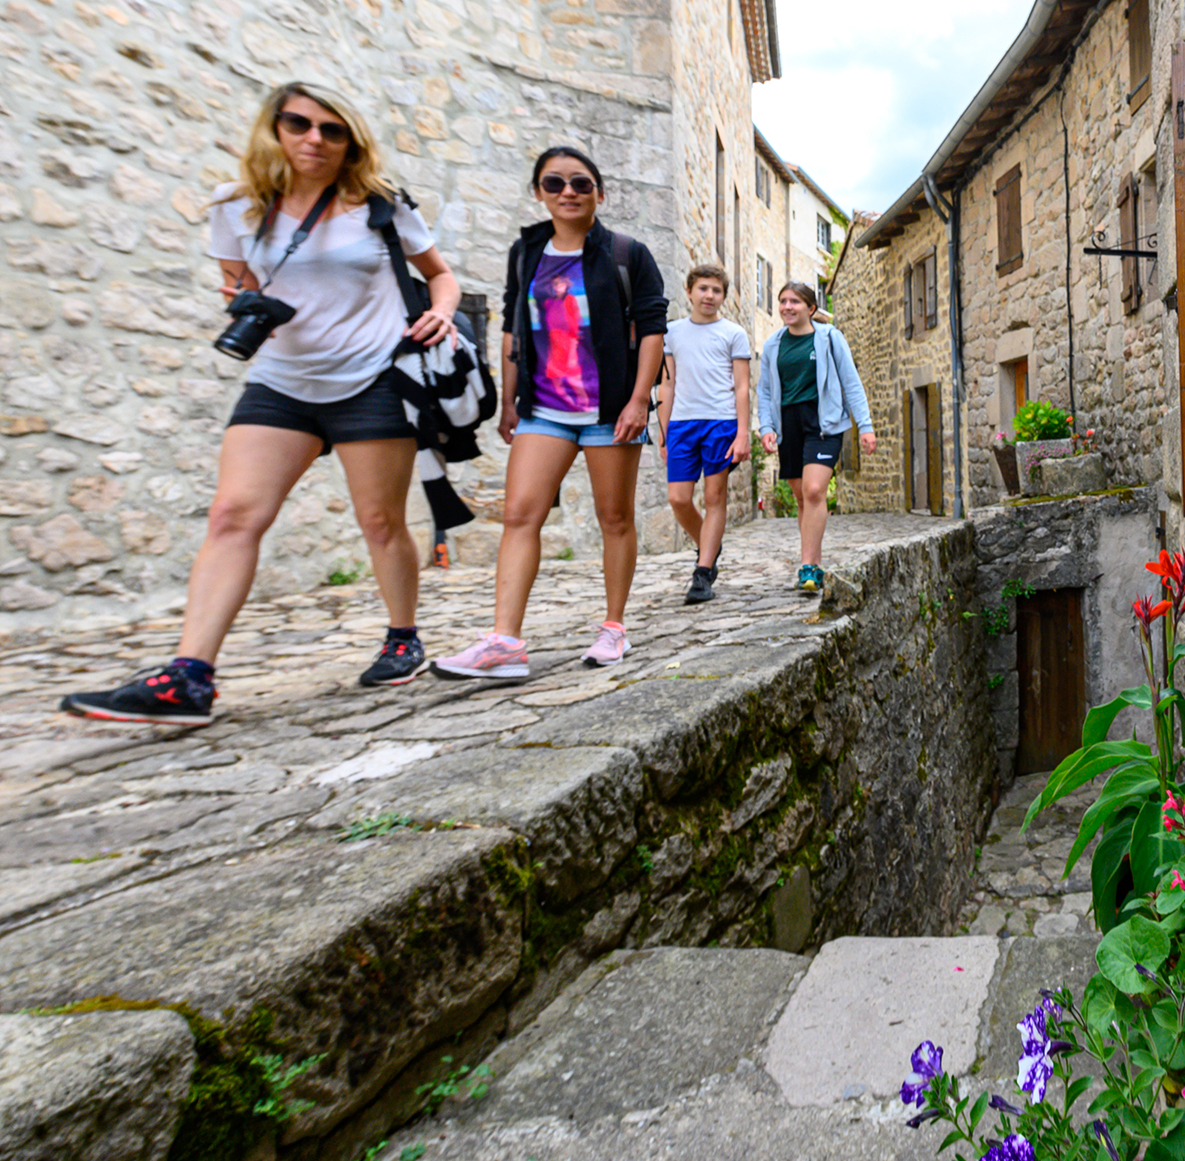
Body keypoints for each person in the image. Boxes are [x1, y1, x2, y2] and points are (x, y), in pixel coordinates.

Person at [61, 83, 462, 725]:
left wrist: (441, 313)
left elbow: (440, 273)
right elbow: (243, 285)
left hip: (373, 378)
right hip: (281, 381)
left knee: (380, 521)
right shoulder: (237, 207)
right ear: (274, 128)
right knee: (233, 514)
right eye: (299, 124)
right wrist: (241, 299)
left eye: (333, 131)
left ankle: (402, 637)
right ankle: (189, 677)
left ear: (350, 143)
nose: (314, 139)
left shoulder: (381, 205)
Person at [434, 147, 666, 679]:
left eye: (581, 183)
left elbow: (653, 329)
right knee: (520, 514)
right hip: (546, 408)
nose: (568, 191)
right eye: (554, 182)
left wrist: (637, 400)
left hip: (610, 408)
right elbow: (514, 326)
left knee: (614, 519)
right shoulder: (527, 251)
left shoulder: (627, 254)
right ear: (538, 191)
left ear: (599, 194)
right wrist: (509, 400)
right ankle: (504, 643)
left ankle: (614, 628)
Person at [756, 282, 874, 594]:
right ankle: (816, 563)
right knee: (801, 498)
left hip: (823, 423)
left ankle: (808, 566)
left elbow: (851, 383)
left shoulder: (830, 338)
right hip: (788, 424)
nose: (787, 307)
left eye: (795, 301)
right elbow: (765, 391)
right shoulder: (772, 345)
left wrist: (865, 426)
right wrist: (766, 427)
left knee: (813, 490)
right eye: (783, 301)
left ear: (810, 308)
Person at [658, 265, 752, 604]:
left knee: (715, 498)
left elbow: (742, 388)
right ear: (689, 292)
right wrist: (665, 431)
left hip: (721, 423)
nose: (709, 295)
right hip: (682, 423)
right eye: (703, 289)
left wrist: (742, 434)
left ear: (723, 296)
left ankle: (703, 572)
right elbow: (667, 383)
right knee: (678, 499)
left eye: (716, 290)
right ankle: (710, 545)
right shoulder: (672, 333)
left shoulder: (734, 334)